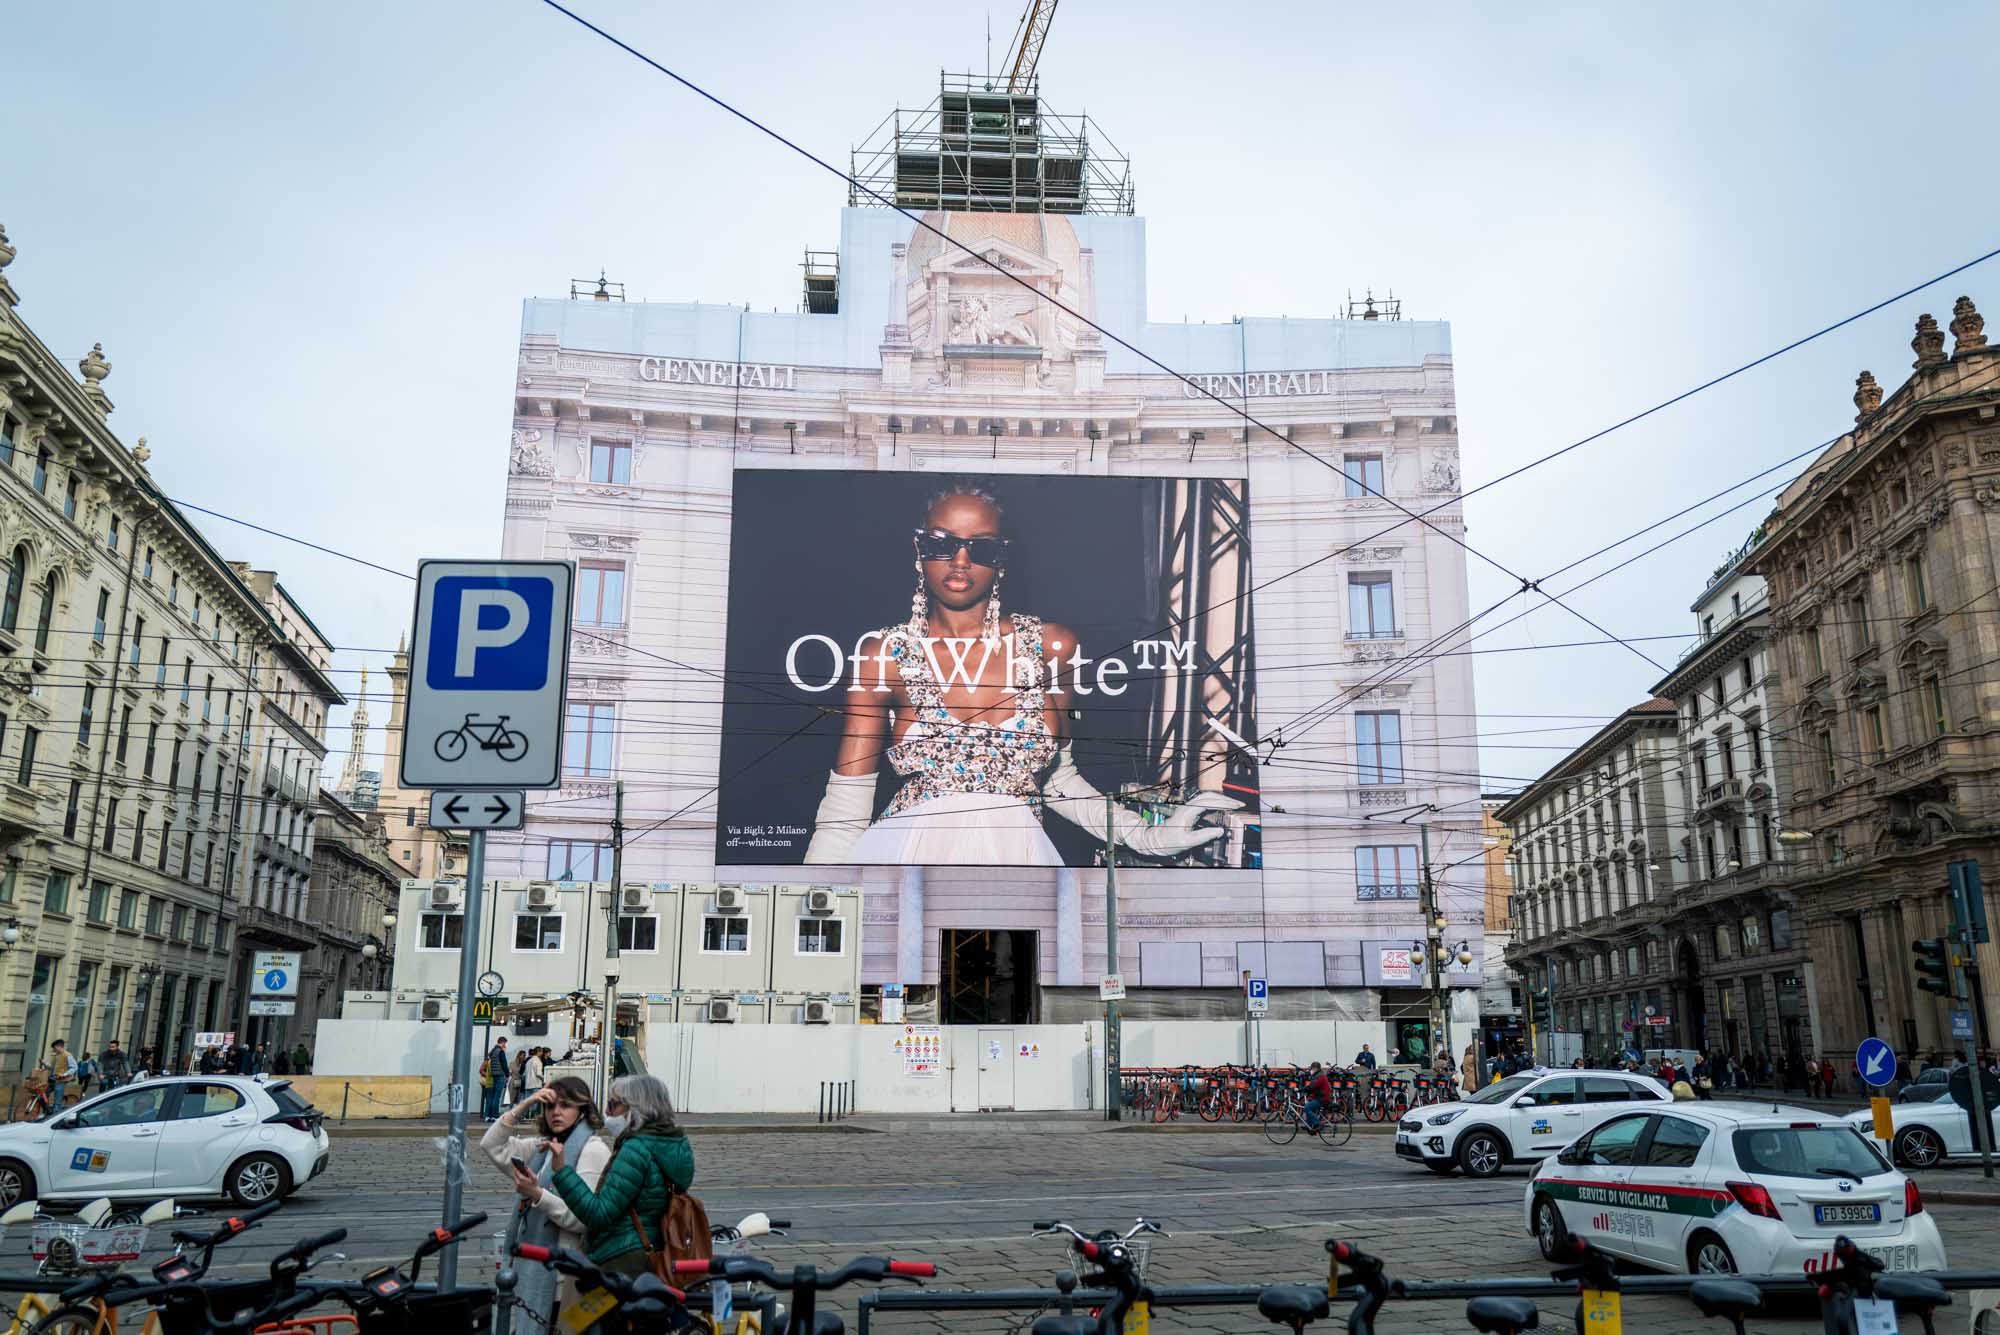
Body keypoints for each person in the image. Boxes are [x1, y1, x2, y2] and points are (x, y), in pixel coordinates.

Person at [802, 481, 1241, 867]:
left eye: (981, 548)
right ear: (919, 550)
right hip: (905, 859)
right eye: (941, 543)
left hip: (1021, 860)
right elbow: (847, 806)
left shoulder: (1051, 646)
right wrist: (803, 914)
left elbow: (1059, 781)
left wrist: (1146, 837)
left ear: (1002, 558)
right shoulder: (885, 656)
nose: (959, 560)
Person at [484, 1078, 611, 1324]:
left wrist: (537, 1195)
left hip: (563, 1279)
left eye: (566, 1105)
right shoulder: (543, 1148)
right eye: (550, 1106)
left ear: (582, 1110)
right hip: (533, 1268)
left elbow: (582, 1218)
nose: (556, 1112)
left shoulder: (592, 1150)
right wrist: (527, 1102)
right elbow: (492, 1145)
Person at [546, 1074, 695, 1279]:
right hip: (654, 1246)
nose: (607, 1112)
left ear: (634, 1107)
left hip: (624, 1256)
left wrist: (562, 1172)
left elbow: (599, 1214)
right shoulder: (674, 1144)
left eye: (613, 1104)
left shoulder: (635, 1149)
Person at [483, 1038, 511, 1121]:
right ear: (502, 1042)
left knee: (491, 1097)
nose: (505, 1045)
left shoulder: (492, 1052)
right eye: (505, 1043)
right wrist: (507, 1074)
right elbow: (504, 1064)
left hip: (493, 1075)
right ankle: (495, 1115)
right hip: (500, 1075)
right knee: (497, 1097)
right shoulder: (501, 1052)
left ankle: (489, 1115)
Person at [1302, 1063, 1333, 1134]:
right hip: (1319, 1097)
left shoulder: (1320, 1077)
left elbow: (1313, 1086)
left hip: (1322, 1098)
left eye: (1312, 1068)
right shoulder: (1318, 1075)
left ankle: (1317, 1123)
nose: (1311, 1070)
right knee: (1309, 1105)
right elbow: (1313, 1087)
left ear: (1316, 1068)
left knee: (1307, 1108)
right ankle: (1310, 1127)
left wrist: (1302, 1089)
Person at [46, 1040, 73, 1109]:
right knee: (45, 1093)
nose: (53, 1049)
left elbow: (74, 1067)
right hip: (54, 1078)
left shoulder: (67, 1055)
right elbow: (52, 1067)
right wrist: (44, 1064)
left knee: (57, 1100)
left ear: (59, 1046)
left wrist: (64, 1074)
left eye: (54, 1047)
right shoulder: (57, 1055)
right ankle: (47, 1110)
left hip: (62, 1080)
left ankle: (56, 1115)